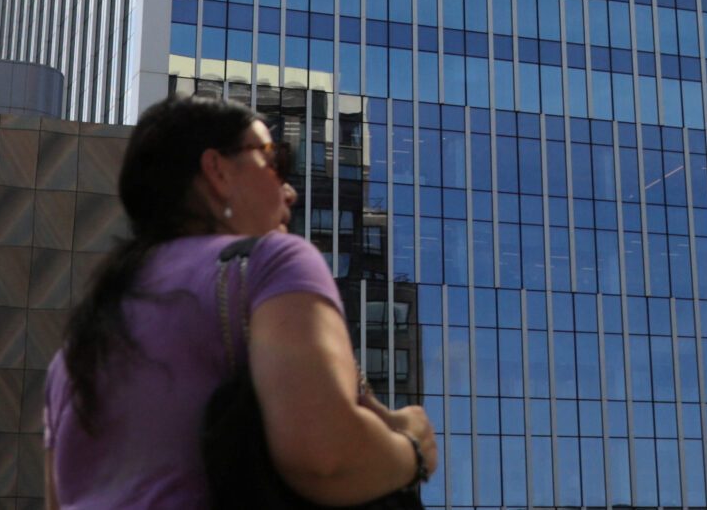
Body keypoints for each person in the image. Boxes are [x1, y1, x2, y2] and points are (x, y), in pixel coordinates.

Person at [44, 91, 437, 509]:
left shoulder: (74, 352)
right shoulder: (273, 261)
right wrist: (411, 451)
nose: (289, 192)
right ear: (217, 171)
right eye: (273, 160)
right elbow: (324, 456)